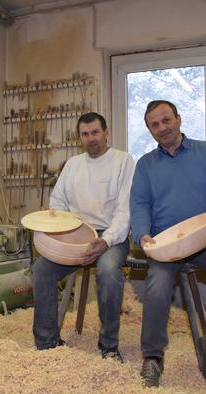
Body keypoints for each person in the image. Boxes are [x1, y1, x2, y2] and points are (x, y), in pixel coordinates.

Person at [130, 100, 206, 388]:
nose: (162, 128)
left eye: (166, 120)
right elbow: (139, 205)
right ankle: (153, 357)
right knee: (157, 287)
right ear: (149, 130)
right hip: (165, 245)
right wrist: (142, 234)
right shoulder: (145, 164)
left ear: (179, 119)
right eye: (155, 125)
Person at [32, 112, 135, 361]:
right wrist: (59, 226)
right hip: (75, 235)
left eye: (95, 132)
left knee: (109, 272)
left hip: (111, 236)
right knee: (41, 270)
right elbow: (57, 202)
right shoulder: (73, 165)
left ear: (106, 132)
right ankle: (47, 343)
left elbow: (125, 211)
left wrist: (106, 240)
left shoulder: (124, 161)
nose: (91, 139)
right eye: (85, 134)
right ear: (80, 137)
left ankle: (108, 346)